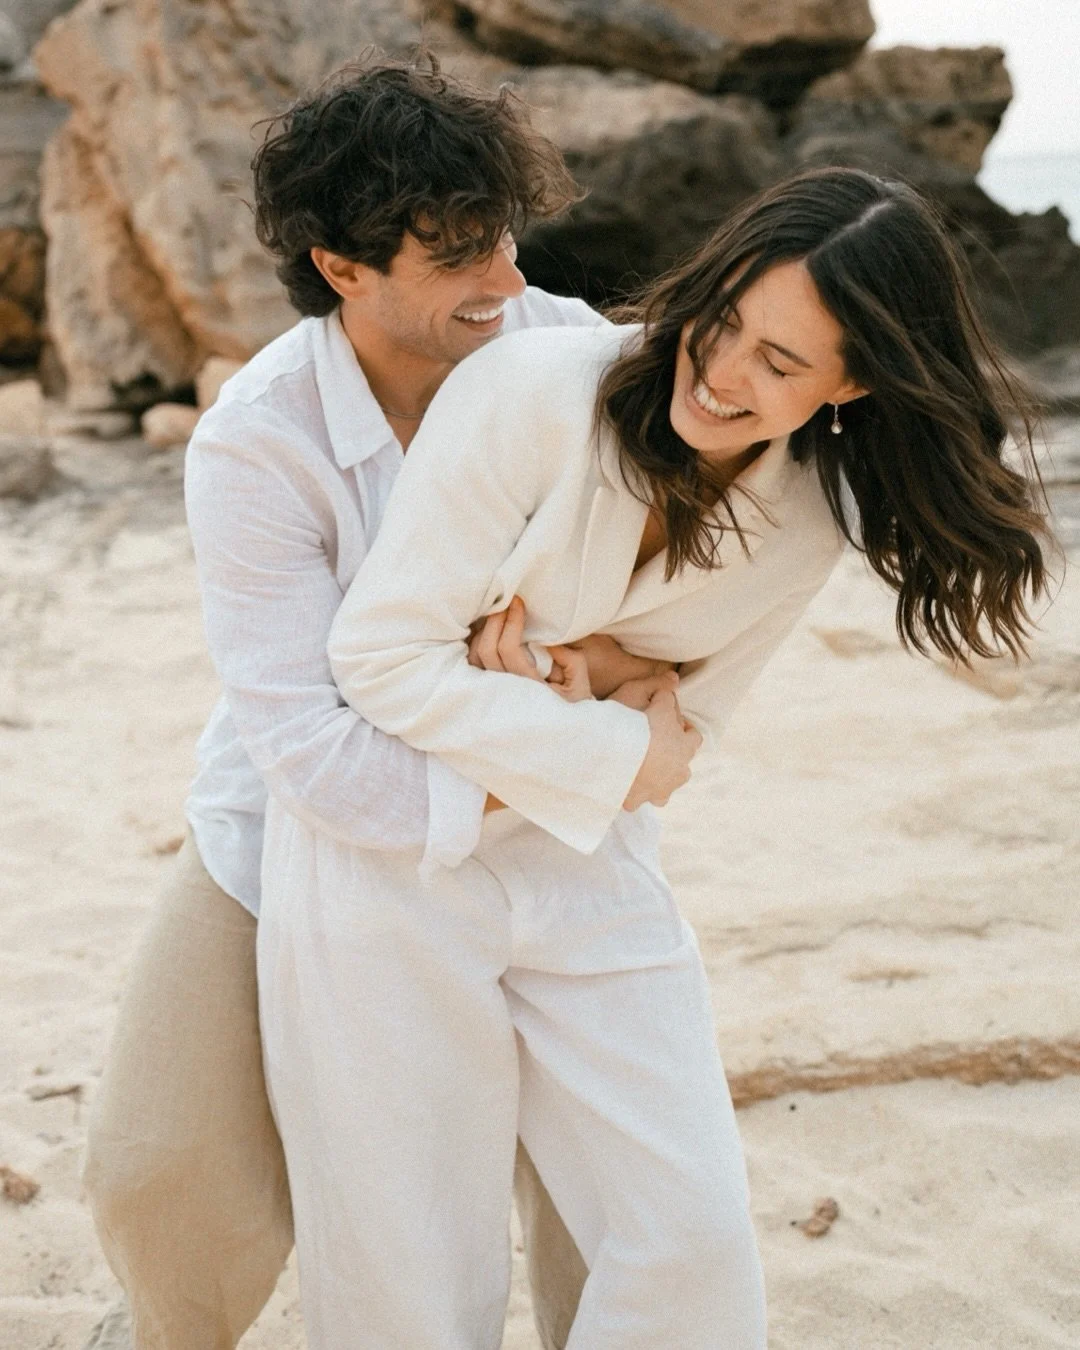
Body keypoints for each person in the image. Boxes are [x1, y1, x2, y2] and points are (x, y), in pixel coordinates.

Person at [256, 167, 1051, 1347]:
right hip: (396, 859)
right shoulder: (531, 392)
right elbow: (378, 660)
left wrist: (590, 699)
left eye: (782, 364)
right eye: (722, 321)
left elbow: (687, 744)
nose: (724, 372)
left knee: (688, 1240)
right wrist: (608, 714)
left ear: (857, 381)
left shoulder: (813, 518)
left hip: (590, 864)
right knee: (411, 1271)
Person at [81, 53, 667, 1350]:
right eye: (458, 255)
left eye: (505, 237)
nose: (504, 280)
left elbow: (674, 573)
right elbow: (306, 745)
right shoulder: (258, 442)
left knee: (608, 1187)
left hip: (556, 824)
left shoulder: (569, 352)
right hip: (299, 830)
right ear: (341, 267)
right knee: (161, 1168)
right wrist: (574, 761)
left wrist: (616, 706)